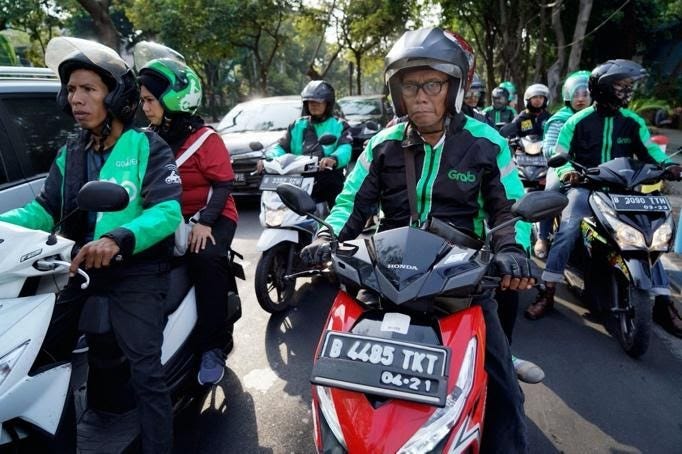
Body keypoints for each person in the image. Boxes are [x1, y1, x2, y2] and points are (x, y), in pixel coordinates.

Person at [302, 27, 532, 452]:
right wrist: (326, 235)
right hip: (384, 273)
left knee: (501, 385)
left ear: (455, 88)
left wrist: (513, 249)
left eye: (432, 84)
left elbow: (508, 210)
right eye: (411, 85)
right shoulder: (383, 145)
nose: (421, 96)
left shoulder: (487, 143)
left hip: (460, 279)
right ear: (397, 92)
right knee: (335, 372)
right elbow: (351, 203)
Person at [0, 40, 182, 453]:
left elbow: (167, 212)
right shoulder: (72, 151)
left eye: (88, 89)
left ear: (116, 96)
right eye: (72, 90)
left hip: (136, 270)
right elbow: (44, 209)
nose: (75, 98)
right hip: (78, 267)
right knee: (42, 357)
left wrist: (118, 239)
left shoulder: (147, 146)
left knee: (145, 372)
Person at [526, 59, 682, 325]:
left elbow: (651, 151)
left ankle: (663, 301)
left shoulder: (632, 122)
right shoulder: (578, 121)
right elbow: (559, 153)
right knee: (568, 228)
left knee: (652, 234)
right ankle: (548, 290)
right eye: (622, 86)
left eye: (628, 86)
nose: (627, 91)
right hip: (586, 188)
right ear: (605, 87)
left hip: (624, 190)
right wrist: (568, 174)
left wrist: (669, 166)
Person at [138, 58, 239, 384]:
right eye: (143, 101)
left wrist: (205, 222)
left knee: (205, 256)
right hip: (168, 217)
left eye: (150, 100)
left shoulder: (206, 139)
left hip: (213, 214)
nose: (145, 107)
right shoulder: (147, 138)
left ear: (172, 101)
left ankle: (212, 346)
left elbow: (223, 184)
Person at [256, 80, 352, 208]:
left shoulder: (339, 125)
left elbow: (345, 147)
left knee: (337, 200)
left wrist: (333, 158)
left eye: (318, 101)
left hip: (327, 175)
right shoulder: (297, 125)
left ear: (327, 103)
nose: (313, 105)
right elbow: (280, 146)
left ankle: (335, 225)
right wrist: (267, 159)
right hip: (298, 177)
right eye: (310, 102)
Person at [532, 71, 591, 259]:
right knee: (552, 193)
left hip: (595, 169)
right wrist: (565, 162)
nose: (580, 99)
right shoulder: (560, 118)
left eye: (585, 94)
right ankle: (542, 237)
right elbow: (549, 148)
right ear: (568, 96)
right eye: (576, 94)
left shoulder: (600, 117)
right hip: (563, 167)